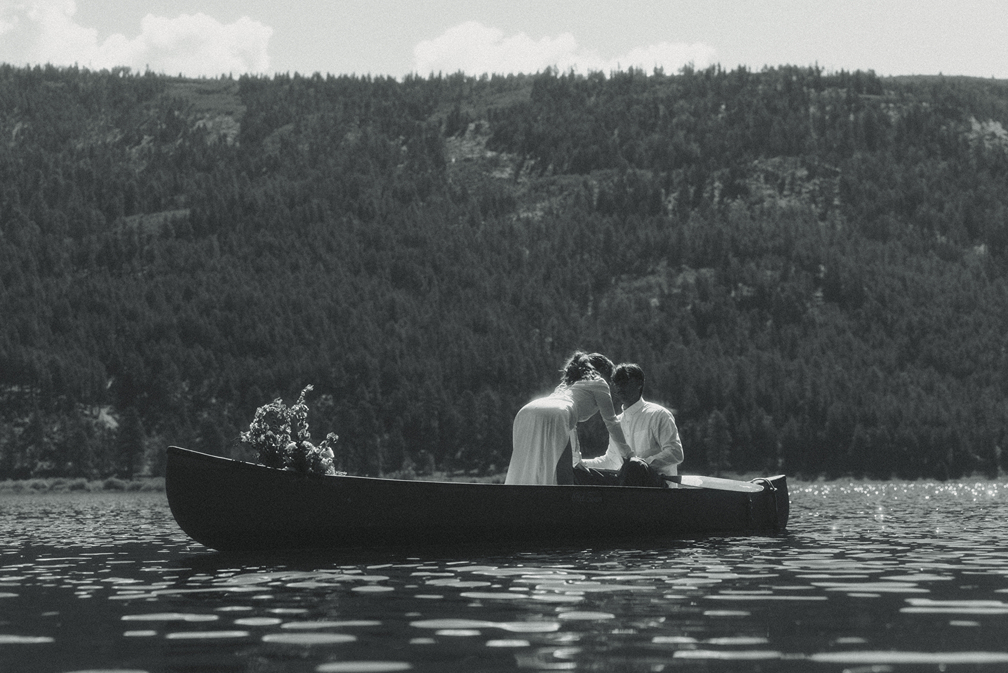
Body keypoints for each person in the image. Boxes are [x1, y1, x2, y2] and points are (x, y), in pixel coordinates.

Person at [505, 351, 631, 485]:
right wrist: (628, 455)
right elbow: (611, 422)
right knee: (564, 477)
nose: (610, 384)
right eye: (610, 379)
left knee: (528, 463)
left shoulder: (566, 383)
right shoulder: (599, 382)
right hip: (557, 412)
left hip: (526, 412)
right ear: (603, 372)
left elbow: (570, 428)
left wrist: (578, 460)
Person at [574, 363, 683, 488]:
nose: (620, 387)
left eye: (625, 382)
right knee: (577, 471)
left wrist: (642, 464)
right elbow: (611, 461)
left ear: (639, 384)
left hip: (658, 486)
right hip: (627, 485)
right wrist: (579, 464)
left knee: (634, 466)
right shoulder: (617, 422)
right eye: (617, 383)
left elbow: (675, 453)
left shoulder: (658, 414)